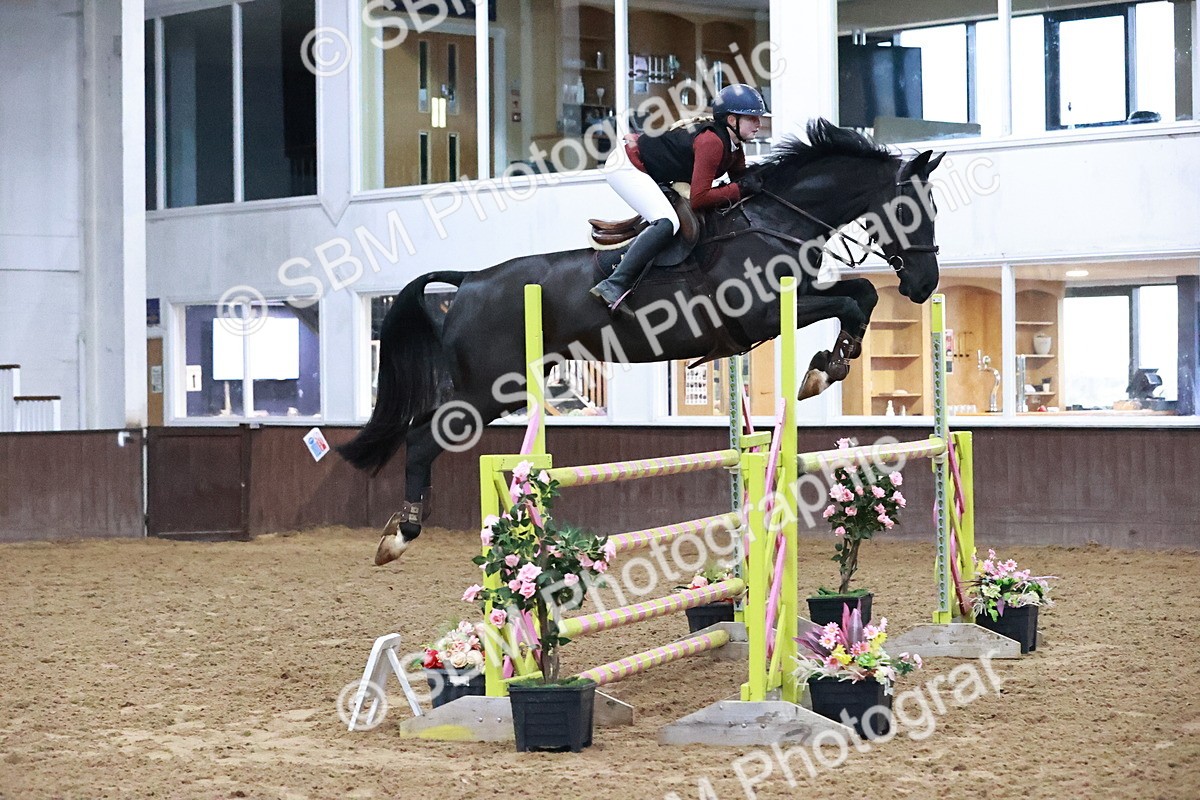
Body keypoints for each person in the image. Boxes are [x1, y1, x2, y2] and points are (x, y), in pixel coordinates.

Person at [589, 83, 769, 313]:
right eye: (752, 119)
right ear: (732, 120)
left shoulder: (734, 147)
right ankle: (613, 285)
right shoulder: (712, 142)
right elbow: (700, 198)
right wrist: (740, 188)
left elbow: (742, 181)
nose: (759, 124)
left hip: (652, 168)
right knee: (667, 222)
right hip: (626, 165)